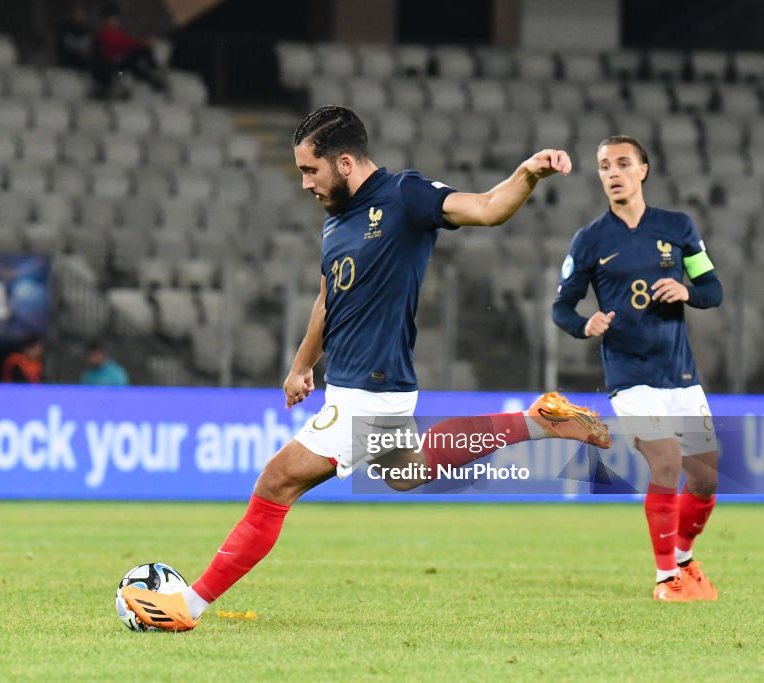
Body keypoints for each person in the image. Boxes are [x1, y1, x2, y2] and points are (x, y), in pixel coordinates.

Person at [121, 105, 610, 631]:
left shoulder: (405, 195)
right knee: (407, 473)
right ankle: (539, 421)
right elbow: (328, 298)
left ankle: (185, 607)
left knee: (276, 482)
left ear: (346, 162)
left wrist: (528, 174)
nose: (305, 183)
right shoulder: (336, 224)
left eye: (311, 170)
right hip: (360, 386)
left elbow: (488, 207)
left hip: (369, 387)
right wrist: (301, 365)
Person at [552, 135, 723, 602]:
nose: (612, 172)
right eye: (604, 165)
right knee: (665, 463)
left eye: (623, 163)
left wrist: (688, 291)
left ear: (643, 171)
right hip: (630, 378)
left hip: (681, 376)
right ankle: (667, 578)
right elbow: (561, 308)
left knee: (706, 479)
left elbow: (712, 288)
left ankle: (685, 560)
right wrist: (585, 324)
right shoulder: (590, 240)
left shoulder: (678, 227)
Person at [94, 1, 167, 94]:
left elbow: (129, 44)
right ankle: (116, 86)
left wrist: (142, 43)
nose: (115, 22)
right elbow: (108, 49)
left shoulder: (118, 32)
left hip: (123, 63)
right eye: (112, 19)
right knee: (125, 69)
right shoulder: (102, 34)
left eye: (116, 19)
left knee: (141, 56)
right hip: (112, 67)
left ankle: (154, 75)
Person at [57, 2, 96, 74]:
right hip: (67, 66)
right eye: (77, 13)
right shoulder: (64, 29)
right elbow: (63, 47)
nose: (79, 16)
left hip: (85, 67)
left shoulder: (88, 30)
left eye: (82, 13)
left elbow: (92, 48)